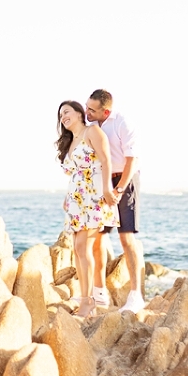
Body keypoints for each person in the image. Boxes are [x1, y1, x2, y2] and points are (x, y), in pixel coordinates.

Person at [56, 100, 119, 318]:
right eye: (60, 115)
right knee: (78, 249)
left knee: (84, 247)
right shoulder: (71, 141)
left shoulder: (92, 131)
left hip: (93, 196)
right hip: (76, 199)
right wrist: (67, 197)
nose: (63, 117)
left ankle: (88, 300)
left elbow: (106, 160)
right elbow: (75, 174)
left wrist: (108, 189)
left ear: (79, 113)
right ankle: (87, 297)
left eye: (67, 112)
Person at [85, 89, 145, 313]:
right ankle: (99, 294)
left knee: (126, 239)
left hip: (125, 180)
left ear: (106, 111)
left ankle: (136, 295)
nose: (87, 112)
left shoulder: (122, 124)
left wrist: (119, 189)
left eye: (92, 109)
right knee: (98, 236)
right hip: (102, 181)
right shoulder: (90, 124)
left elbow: (132, 159)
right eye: (86, 106)